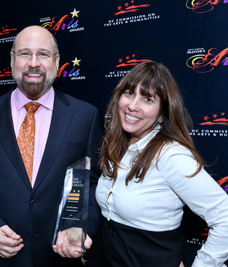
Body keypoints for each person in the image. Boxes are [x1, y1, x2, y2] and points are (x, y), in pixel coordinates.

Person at [0, 25, 102, 267]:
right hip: (0, 259)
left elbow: (91, 183)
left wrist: (79, 229)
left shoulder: (85, 116)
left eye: (43, 54)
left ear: (57, 61)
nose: (34, 63)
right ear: (12, 59)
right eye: (25, 54)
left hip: (59, 258)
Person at [96, 61, 228, 266]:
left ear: (162, 114)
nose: (133, 105)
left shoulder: (171, 157)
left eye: (148, 99)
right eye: (129, 93)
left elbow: (225, 216)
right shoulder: (116, 146)